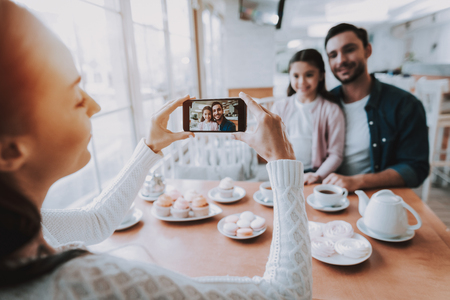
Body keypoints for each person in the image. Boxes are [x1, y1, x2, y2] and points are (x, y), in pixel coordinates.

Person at [0, 2, 312, 298]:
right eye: (75, 97)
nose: (94, 106)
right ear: (9, 152)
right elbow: (287, 294)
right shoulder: (86, 283)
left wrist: (149, 148)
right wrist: (282, 160)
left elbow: (94, 222)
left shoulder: (22, 230)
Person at [322, 23, 429, 192]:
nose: (341, 60)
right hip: (328, 195)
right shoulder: (324, 103)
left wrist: (358, 181)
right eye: (333, 55)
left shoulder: (404, 104)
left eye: (349, 49)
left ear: (367, 50)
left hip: (379, 198)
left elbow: (416, 168)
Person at [271, 49, 345, 185]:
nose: (302, 81)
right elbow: (272, 143)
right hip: (285, 171)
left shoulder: (331, 110)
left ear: (321, 76)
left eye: (309, 75)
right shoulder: (279, 107)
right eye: (296, 76)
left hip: (315, 174)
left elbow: (336, 154)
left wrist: (317, 176)